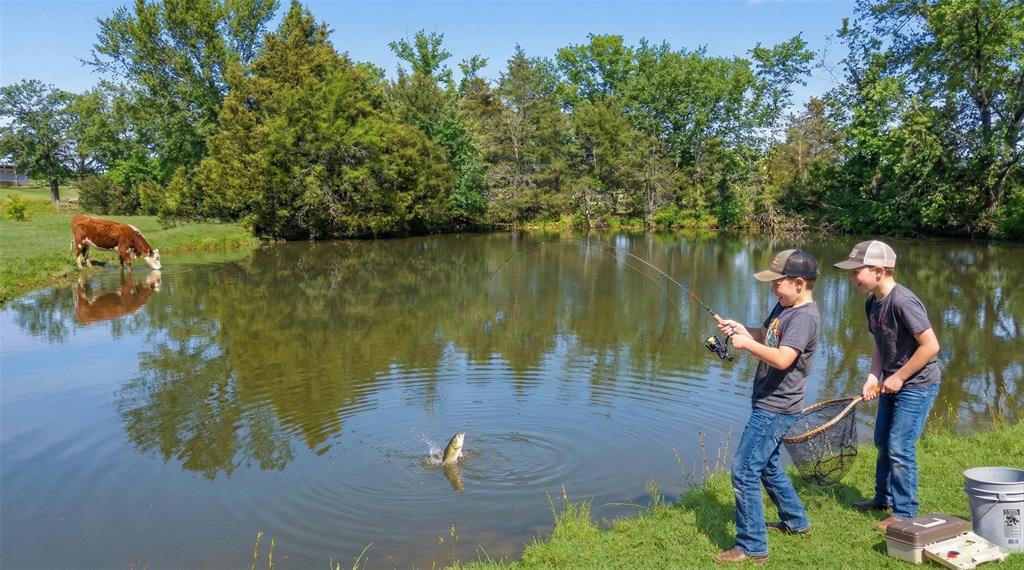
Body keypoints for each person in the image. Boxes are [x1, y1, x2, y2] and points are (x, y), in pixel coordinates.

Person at [712, 249, 820, 565]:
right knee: (768, 465)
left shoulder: (803, 317)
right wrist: (742, 331)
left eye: (778, 283)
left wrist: (747, 346)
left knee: (744, 469)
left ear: (799, 283)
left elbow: (784, 358)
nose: (773, 288)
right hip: (771, 401)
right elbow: (768, 337)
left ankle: (752, 545)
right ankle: (796, 522)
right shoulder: (785, 306)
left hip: (776, 406)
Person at [833, 240, 941, 532]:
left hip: (917, 384)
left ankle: (905, 512)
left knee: (899, 446)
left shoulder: (903, 301)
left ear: (879, 271)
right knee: (881, 441)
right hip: (892, 382)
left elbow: (931, 346)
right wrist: (873, 375)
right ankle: (883, 499)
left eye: (857, 272)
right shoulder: (872, 302)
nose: (852, 278)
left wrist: (899, 377)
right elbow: (881, 342)